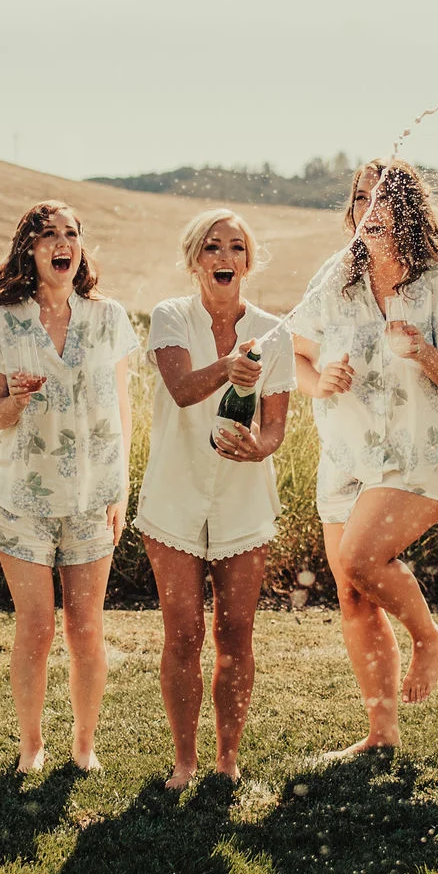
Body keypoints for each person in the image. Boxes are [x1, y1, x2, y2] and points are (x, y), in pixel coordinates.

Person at [288, 158, 438, 758]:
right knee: (352, 590)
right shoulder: (337, 276)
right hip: (347, 454)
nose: (371, 210)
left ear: (407, 211)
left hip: (421, 453)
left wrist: (423, 352)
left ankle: (429, 638)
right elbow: (294, 356)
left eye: (384, 199)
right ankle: (381, 734)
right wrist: (320, 378)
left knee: (361, 557)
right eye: (362, 199)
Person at [0, 201, 136, 774]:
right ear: (30, 250)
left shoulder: (108, 317)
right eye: (48, 236)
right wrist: (14, 398)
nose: (62, 243)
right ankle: (32, 746)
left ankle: (85, 745)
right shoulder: (0, 322)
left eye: (72, 233)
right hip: (23, 497)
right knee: (37, 626)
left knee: (86, 627)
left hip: (93, 496)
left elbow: (122, 408)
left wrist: (120, 489)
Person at [137, 209, 294, 789]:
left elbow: (277, 426)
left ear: (247, 263)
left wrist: (260, 447)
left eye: (235, 248)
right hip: (175, 497)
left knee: (236, 633)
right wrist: (230, 368)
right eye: (211, 247)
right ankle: (185, 761)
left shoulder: (274, 331)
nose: (223, 258)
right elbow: (180, 390)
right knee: (182, 634)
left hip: (243, 499)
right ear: (193, 260)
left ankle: (227, 759)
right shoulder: (169, 317)